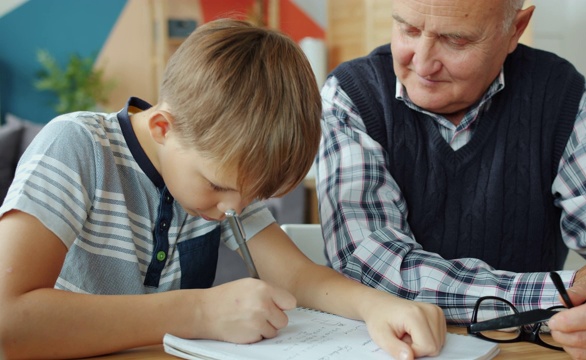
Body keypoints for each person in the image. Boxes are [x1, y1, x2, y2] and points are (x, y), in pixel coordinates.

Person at [0, 19, 446, 359]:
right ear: (162, 127)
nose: (233, 210)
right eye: (218, 186)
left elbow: (297, 276)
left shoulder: (226, 187)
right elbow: (8, 320)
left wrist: (378, 307)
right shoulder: (76, 147)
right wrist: (200, 313)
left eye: (251, 198)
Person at [315, 0, 586, 358]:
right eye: (407, 29)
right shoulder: (352, 96)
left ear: (515, 29)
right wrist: (564, 290)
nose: (422, 63)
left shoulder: (562, 96)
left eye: (455, 40)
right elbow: (372, 267)